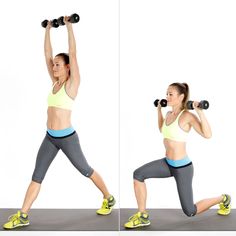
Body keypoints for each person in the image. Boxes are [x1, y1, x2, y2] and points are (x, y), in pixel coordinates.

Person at [3, 16, 115, 230]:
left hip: (67, 139)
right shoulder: (54, 83)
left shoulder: (72, 85)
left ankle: (108, 197)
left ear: (67, 68)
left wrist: (69, 26)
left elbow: (73, 53)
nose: (53, 66)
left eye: (57, 64)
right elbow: (46, 54)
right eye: (53, 64)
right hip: (50, 138)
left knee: (85, 170)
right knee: (37, 176)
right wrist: (47, 30)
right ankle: (23, 215)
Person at [124, 82, 231, 229]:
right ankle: (142, 216)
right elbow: (162, 129)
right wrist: (159, 110)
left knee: (190, 211)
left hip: (183, 168)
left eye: (170, 94)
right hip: (167, 164)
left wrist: (200, 111)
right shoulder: (168, 114)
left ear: (181, 97)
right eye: (166, 93)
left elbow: (208, 134)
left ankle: (223, 198)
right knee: (138, 174)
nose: (167, 96)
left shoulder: (187, 116)